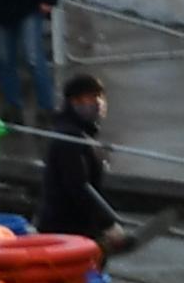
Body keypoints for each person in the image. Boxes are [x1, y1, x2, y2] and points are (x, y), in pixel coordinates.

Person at [36, 73, 128, 258]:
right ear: (73, 102)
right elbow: (78, 186)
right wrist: (108, 223)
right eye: (90, 97)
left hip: (73, 227)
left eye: (98, 97)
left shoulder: (79, 133)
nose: (97, 103)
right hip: (66, 232)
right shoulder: (69, 138)